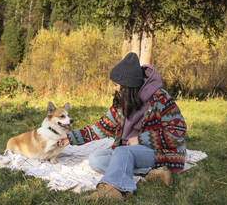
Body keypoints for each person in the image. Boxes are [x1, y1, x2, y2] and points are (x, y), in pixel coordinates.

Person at [59, 52, 187, 200]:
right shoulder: (123, 101)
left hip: (160, 152)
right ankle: (153, 173)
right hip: (130, 151)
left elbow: (177, 132)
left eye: (116, 85)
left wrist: (141, 139)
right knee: (96, 158)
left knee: (123, 153)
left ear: (128, 86)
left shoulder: (160, 97)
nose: (114, 88)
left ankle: (113, 190)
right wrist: (71, 137)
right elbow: (100, 127)